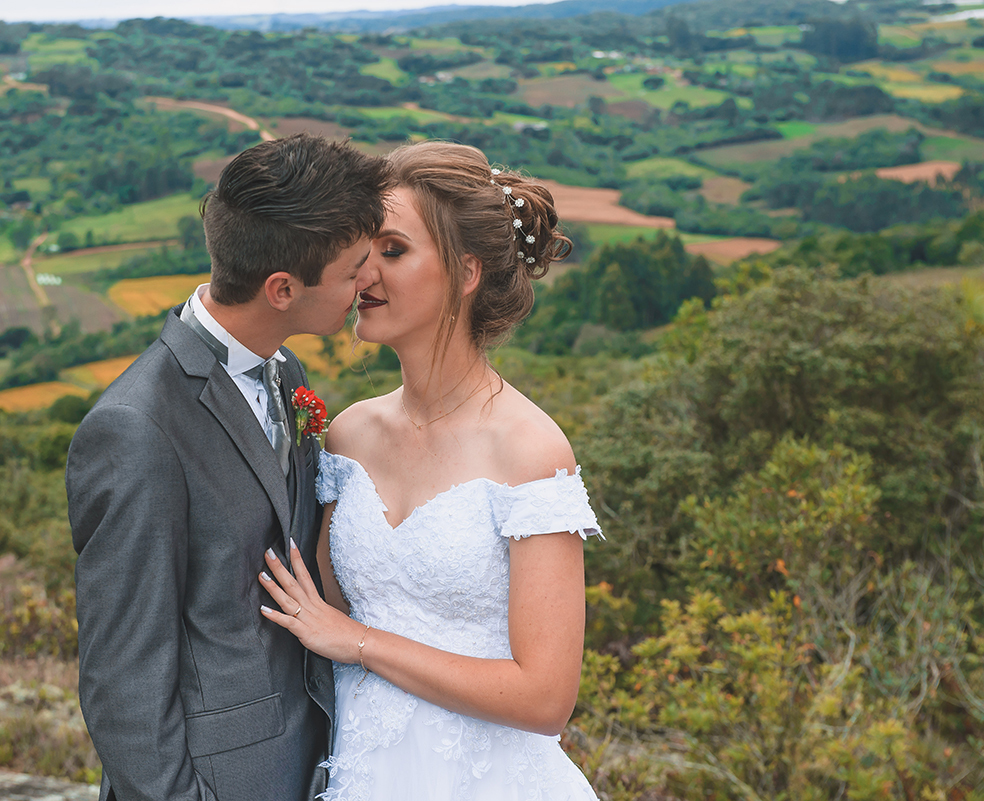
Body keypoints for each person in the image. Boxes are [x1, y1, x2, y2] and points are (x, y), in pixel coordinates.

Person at [258, 140, 604, 800]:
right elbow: (325, 609)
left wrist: (361, 643)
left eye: (392, 251)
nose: (363, 275)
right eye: (363, 252)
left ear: (465, 272)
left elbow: (545, 698)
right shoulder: (350, 434)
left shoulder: (530, 450)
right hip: (360, 768)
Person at [66, 134, 392, 801]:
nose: (368, 280)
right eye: (354, 268)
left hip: (307, 757)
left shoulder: (286, 369)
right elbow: (122, 677)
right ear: (282, 288)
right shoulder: (134, 429)